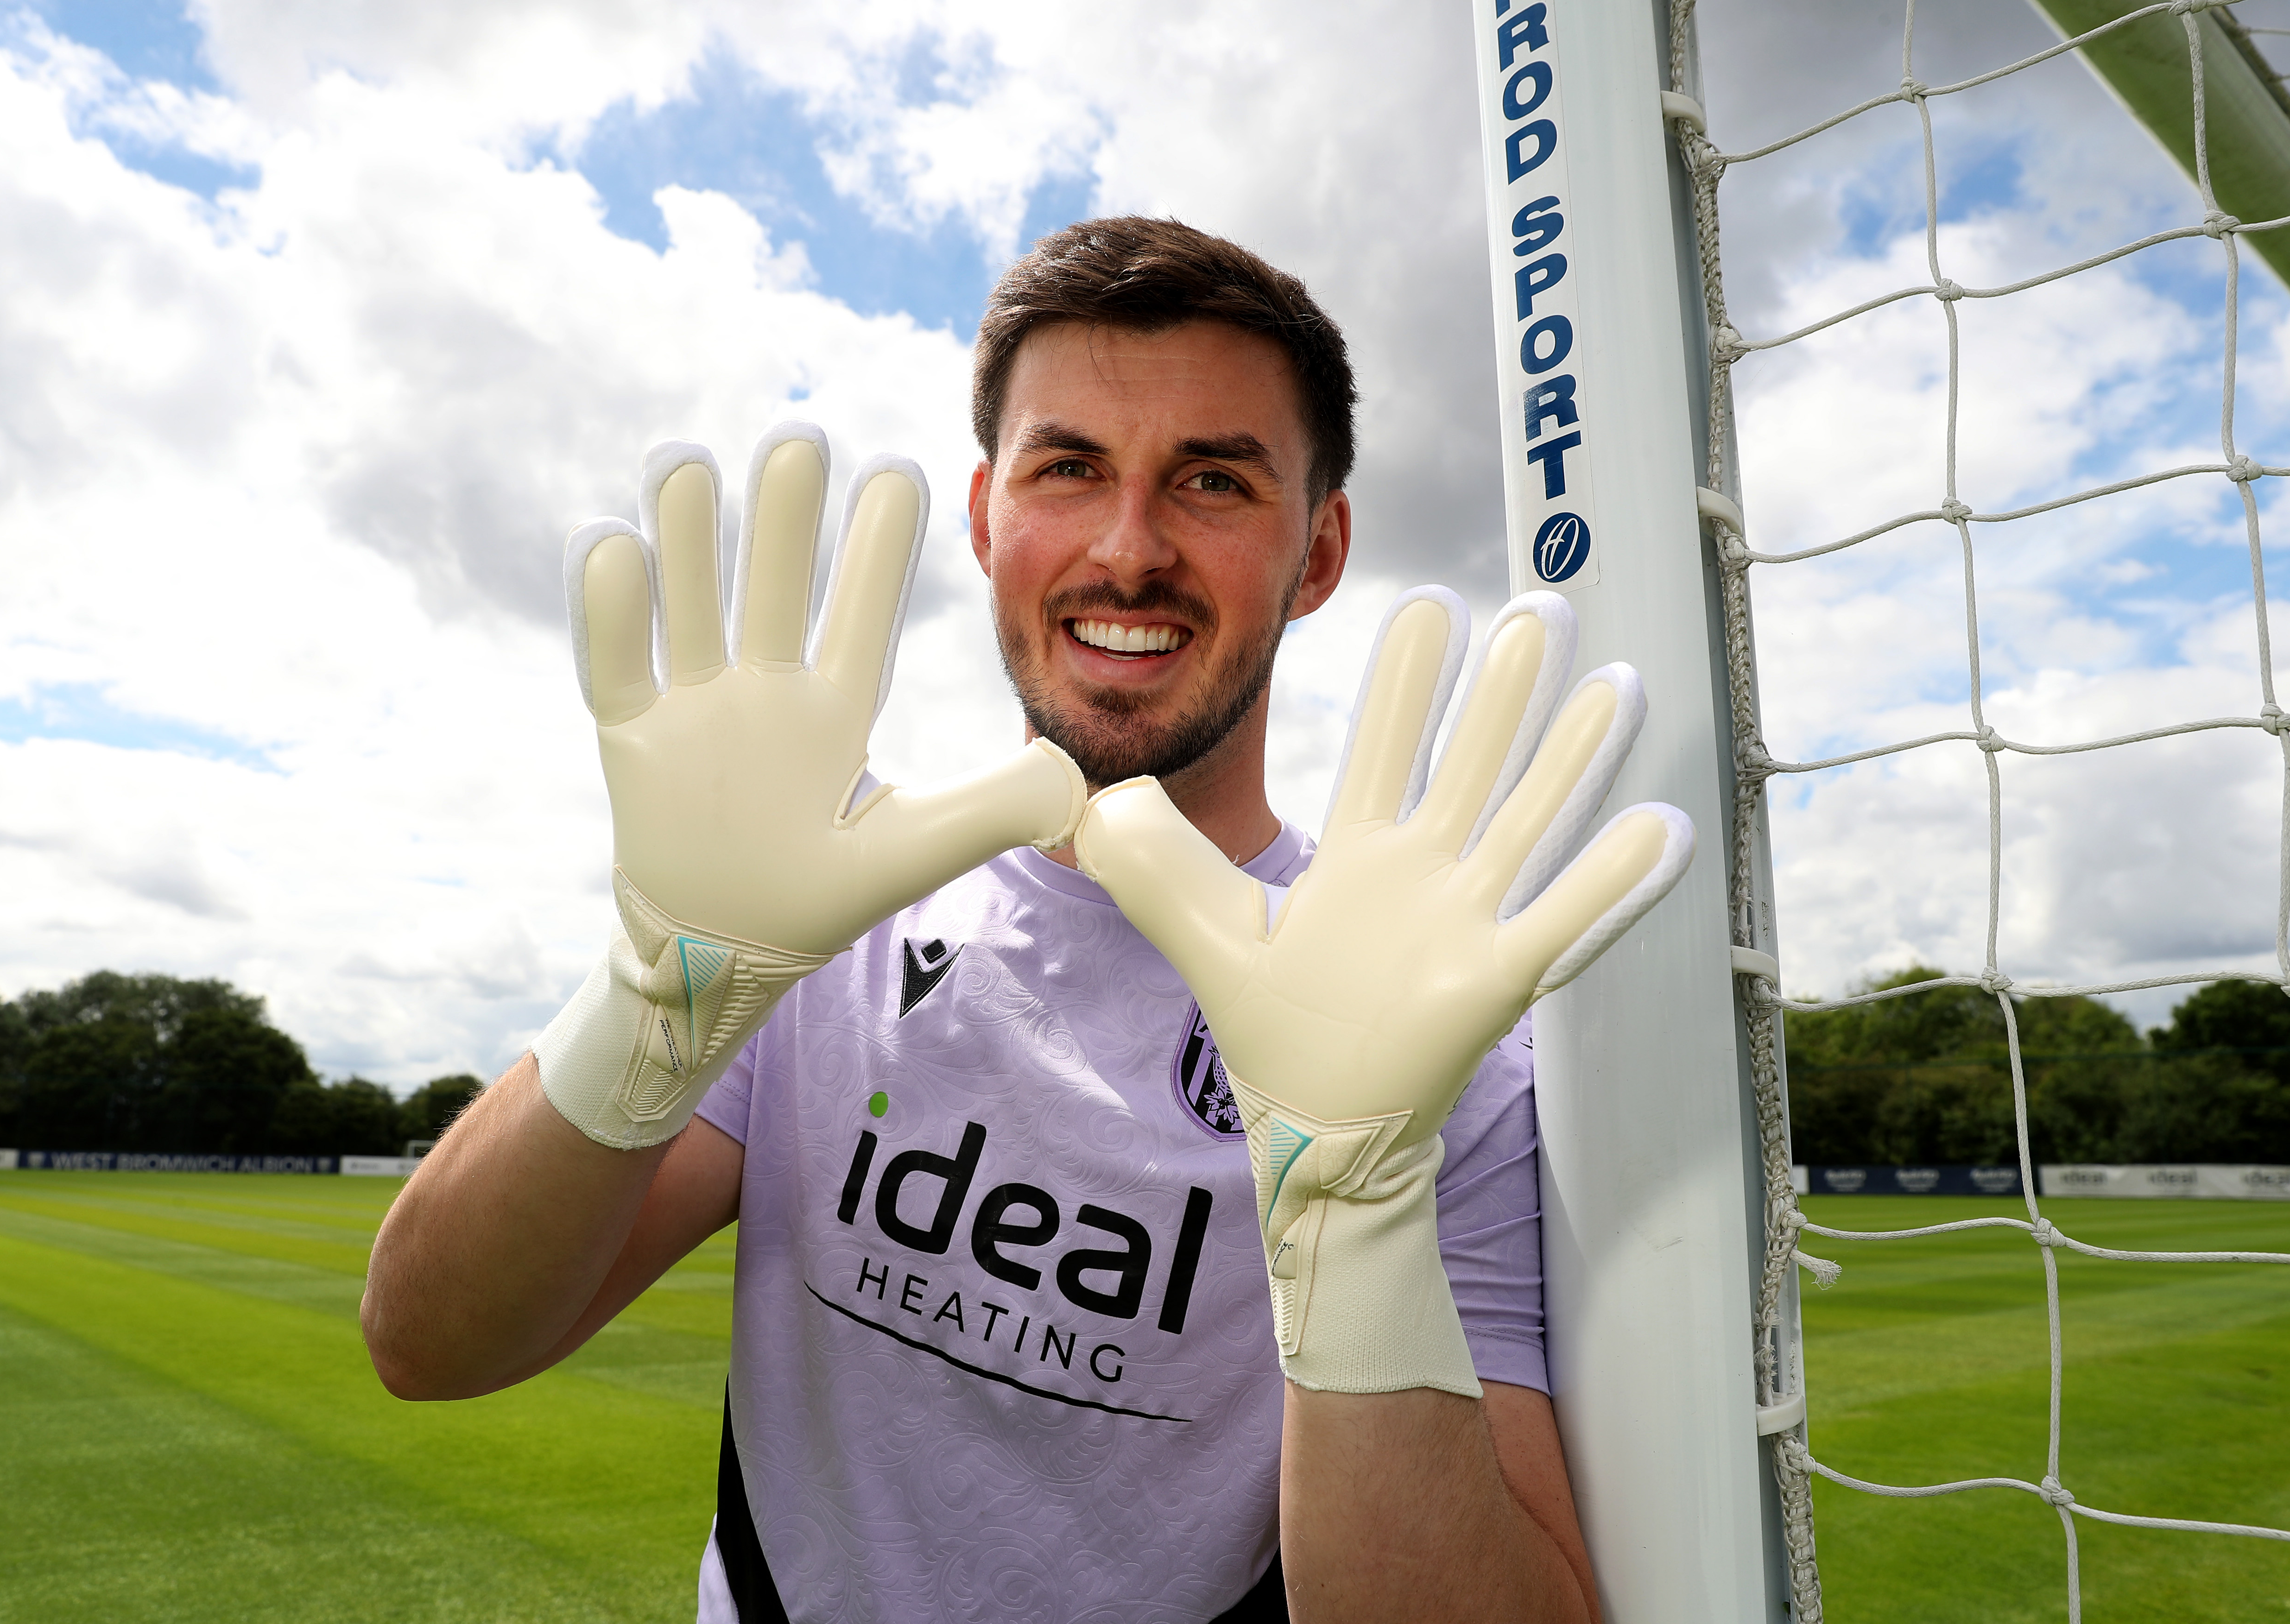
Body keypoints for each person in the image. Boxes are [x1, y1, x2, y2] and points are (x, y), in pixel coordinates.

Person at [362, 217, 1668, 1623]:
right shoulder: (812, 904)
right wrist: (646, 998)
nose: (1127, 549)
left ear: (1319, 548)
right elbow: (429, 1341)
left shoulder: (1433, 1032)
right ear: (987, 516)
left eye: (1213, 480)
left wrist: (1354, 1218)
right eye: (1069, 468)